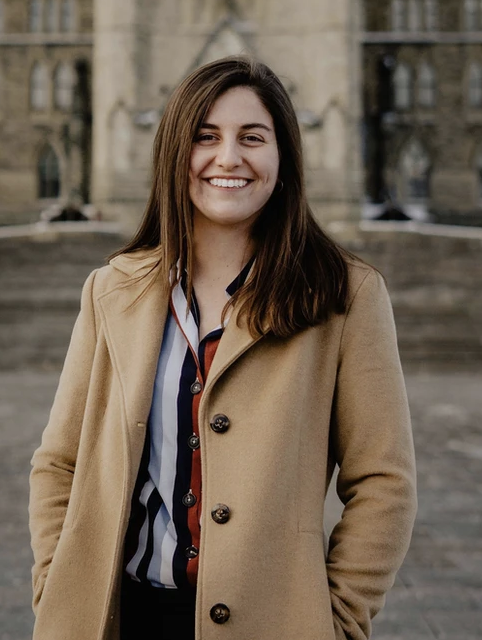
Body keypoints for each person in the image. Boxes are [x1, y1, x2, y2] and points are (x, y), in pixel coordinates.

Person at [27, 56, 416, 639]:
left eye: (252, 138)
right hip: (119, 618)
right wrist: (57, 586)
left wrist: (336, 619)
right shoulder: (113, 291)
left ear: (282, 159)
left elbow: (384, 482)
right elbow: (59, 462)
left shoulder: (345, 296)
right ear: (173, 155)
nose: (228, 158)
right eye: (205, 137)